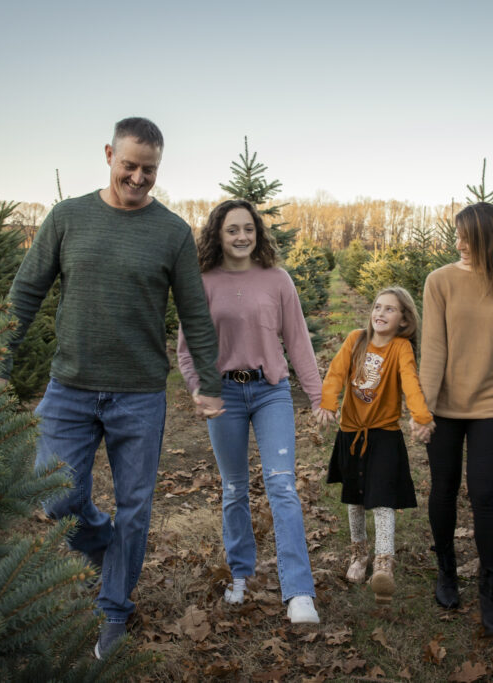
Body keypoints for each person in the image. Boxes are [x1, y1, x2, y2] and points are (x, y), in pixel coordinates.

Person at [0, 117, 224, 658]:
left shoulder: (172, 232)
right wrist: (0, 361)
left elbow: (196, 314)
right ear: (109, 153)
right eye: (129, 165)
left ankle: (114, 607)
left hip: (139, 394)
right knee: (57, 495)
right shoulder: (68, 218)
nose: (138, 178)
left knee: (136, 507)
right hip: (68, 387)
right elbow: (25, 292)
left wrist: (207, 382)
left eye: (150, 170)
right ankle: (100, 541)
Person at [176, 199, 323, 624]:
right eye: (232, 230)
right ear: (217, 235)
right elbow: (187, 352)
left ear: (258, 233)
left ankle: (299, 592)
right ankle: (240, 573)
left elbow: (298, 342)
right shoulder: (202, 282)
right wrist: (200, 391)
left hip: (270, 392)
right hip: (225, 395)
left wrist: (316, 397)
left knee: (282, 487)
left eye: (248, 229)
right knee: (235, 488)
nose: (242, 237)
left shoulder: (277, 279)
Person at [418, 202, 493, 636]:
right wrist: (423, 410)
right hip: (444, 407)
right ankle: (446, 571)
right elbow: (432, 349)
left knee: (484, 494)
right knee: (444, 489)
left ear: (490, 237)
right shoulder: (440, 281)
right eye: (457, 234)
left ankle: (490, 591)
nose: (459, 243)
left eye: (467, 235)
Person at [317, 286, 434, 604]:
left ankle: (384, 564)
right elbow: (336, 372)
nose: (380, 314)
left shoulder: (400, 348)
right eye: (377, 307)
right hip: (351, 432)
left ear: (404, 319)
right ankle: (359, 554)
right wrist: (328, 402)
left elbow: (410, 381)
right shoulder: (356, 339)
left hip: (383, 434)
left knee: (382, 499)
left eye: (389, 309)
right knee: (355, 499)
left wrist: (421, 415)